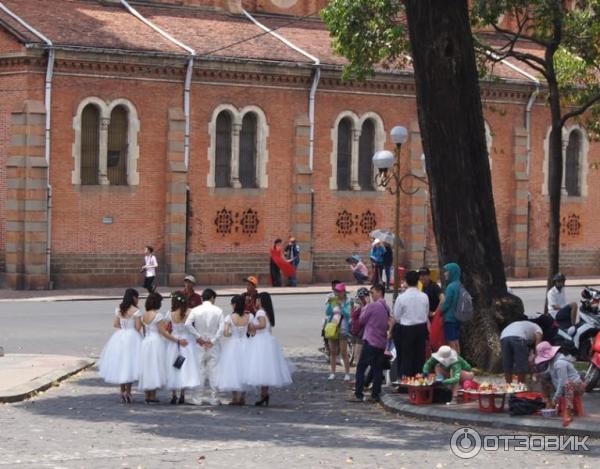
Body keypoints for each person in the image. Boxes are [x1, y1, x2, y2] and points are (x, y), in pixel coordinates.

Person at [246, 292, 294, 406]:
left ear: (261, 301)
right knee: (266, 369)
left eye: (257, 300)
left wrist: (252, 326)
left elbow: (262, 325)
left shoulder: (261, 312)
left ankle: (264, 395)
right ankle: (264, 394)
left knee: (261, 367)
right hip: (267, 340)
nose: (256, 301)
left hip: (261, 341)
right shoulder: (267, 312)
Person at [138, 292, 186, 404]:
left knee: (147, 367)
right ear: (157, 303)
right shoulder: (158, 316)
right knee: (155, 366)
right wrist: (177, 340)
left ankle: (147, 395)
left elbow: (144, 331)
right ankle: (153, 395)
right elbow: (164, 333)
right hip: (156, 342)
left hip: (146, 342)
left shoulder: (144, 315)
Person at [98, 288, 143, 404]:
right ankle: (128, 392)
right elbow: (138, 328)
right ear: (133, 297)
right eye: (137, 297)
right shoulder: (136, 311)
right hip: (132, 338)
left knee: (121, 364)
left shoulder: (119, 309)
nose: (138, 299)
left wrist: (123, 331)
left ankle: (122, 391)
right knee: (130, 365)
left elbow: (116, 324)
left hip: (120, 337)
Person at [351, 283, 392, 403]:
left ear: (379, 292)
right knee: (377, 368)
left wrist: (366, 306)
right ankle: (375, 394)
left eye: (373, 292)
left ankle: (359, 393)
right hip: (381, 342)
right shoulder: (386, 307)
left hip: (370, 341)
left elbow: (362, 320)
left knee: (361, 367)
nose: (371, 295)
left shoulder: (372, 306)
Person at [185, 288, 225, 405]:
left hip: (200, 343)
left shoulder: (196, 310)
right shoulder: (218, 310)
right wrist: (213, 340)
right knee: (214, 371)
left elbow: (188, 324)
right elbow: (221, 328)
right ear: (212, 298)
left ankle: (197, 398)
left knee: (200, 371)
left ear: (202, 298)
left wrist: (198, 337)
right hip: (214, 344)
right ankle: (214, 398)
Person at [535, 341, 585, 427]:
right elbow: (549, 373)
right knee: (544, 379)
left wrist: (556, 397)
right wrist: (539, 375)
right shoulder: (552, 361)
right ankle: (548, 403)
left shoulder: (560, 363)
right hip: (563, 386)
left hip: (577, 387)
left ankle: (568, 413)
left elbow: (563, 382)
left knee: (568, 385)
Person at [164, 292, 200, 405]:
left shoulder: (170, 314)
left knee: (174, 368)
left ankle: (174, 395)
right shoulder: (190, 313)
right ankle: (182, 394)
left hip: (175, 342)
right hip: (187, 342)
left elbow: (166, 329)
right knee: (185, 368)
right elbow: (193, 327)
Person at [393, 270, 430, 378]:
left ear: (406, 282)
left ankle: (406, 381)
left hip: (406, 328)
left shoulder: (401, 297)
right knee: (419, 356)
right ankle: (419, 381)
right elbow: (426, 312)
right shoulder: (424, 296)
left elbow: (397, 316)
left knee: (406, 356)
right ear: (418, 281)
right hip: (421, 328)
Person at [216, 295, 251, 405]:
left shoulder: (230, 317)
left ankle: (235, 397)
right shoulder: (249, 316)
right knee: (246, 370)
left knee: (233, 370)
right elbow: (251, 331)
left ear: (235, 305)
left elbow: (226, 333)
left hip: (233, 345)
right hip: (246, 344)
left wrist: (233, 333)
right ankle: (243, 397)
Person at [325, 282, 352, 381]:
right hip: (332, 326)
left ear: (344, 292)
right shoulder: (333, 300)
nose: (337, 293)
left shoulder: (347, 302)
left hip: (343, 328)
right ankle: (332, 373)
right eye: (336, 291)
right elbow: (327, 312)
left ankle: (347, 373)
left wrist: (341, 306)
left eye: (339, 291)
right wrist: (329, 303)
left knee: (344, 352)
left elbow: (348, 315)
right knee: (332, 351)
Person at [440, 262, 462, 353]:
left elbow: (447, 303)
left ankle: (454, 362)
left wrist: (439, 312)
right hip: (458, 318)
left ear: (452, 272)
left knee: (451, 341)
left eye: (447, 272)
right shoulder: (460, 285)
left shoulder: (451, 287)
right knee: (456, 341)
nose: (445, 274)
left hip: (450, 318)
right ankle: (459, 360)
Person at [350, 287, 371, 366]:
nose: (359, 299)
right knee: (356, 356)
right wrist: (352, 306)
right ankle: (358, 375)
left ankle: (359, 375)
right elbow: (352, 316)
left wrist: (364, 305)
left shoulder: (368, 306)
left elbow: (364, 318)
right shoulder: (358, 306)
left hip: (362, 333)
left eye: (361, 297)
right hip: (355, 331)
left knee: (358, 356)